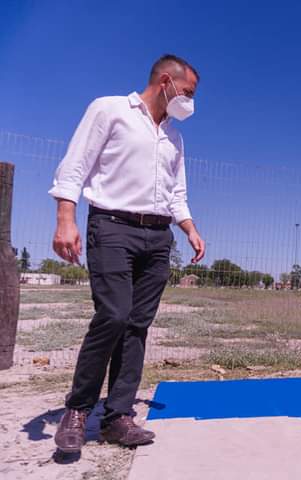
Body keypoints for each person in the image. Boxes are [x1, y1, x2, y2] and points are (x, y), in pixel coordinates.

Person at [49, 54, 206, 453]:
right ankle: (78, 410)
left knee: (137, 325)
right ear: (166, 81)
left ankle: (118, 416)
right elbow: (74, 166)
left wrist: (189, 229)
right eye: (188, 92)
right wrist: (65, 219)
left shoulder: (174, 136)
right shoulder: (110, 109)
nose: (190, 101)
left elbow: (176, 192)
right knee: (113, 315)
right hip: (112, 226)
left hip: (158, 239)